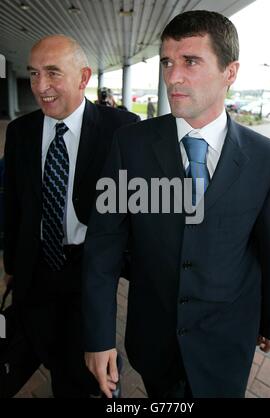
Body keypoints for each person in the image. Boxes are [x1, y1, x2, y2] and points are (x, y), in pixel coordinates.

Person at [83, 11, 270, 398]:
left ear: (230, 72)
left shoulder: (269, 159)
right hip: (154, 339)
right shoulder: (130, 145)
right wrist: (98, 336)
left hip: (227, 342)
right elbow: (103, 245)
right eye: (167, 62)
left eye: (190, 62)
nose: (172, 76)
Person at [3, 34, 139, 398]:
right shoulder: (20, 132)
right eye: (33, 74)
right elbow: (14, 203)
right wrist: (12, 264)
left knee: (89, 375)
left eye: (52, 73)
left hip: (88, 271)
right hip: (36, 269)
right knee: (41, 348)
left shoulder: (122, 129)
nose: (40, 87)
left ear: (83, 77)